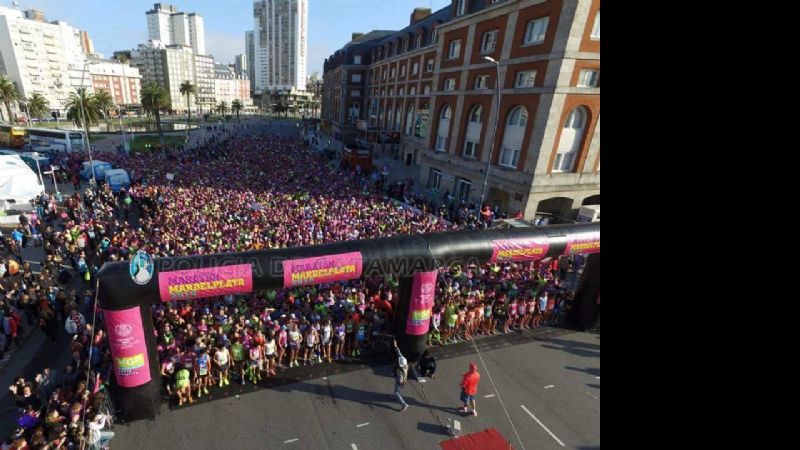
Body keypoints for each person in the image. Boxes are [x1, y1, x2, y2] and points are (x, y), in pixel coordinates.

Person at [393, 342, 409, 412]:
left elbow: (399, 380)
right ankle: (396, 396)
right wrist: (396, 346)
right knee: (397, 390)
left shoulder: (400, 370)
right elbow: (399, 353)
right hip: (404, 379)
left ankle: (404, 404)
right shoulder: (404, 361)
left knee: (396, 392)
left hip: (401, 380)